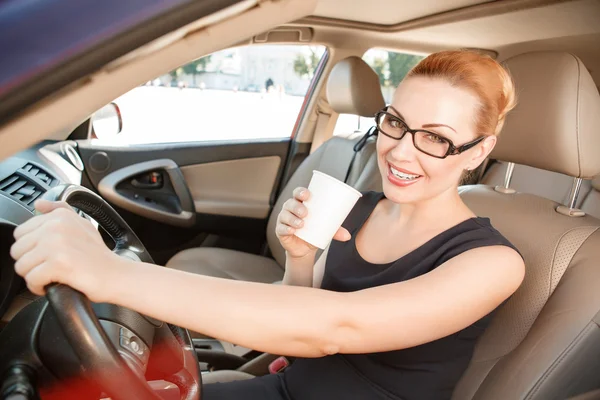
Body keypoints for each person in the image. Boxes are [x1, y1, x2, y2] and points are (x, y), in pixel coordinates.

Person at [10, 50, 525, 400]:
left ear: (478, 151)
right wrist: (300, 259)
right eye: (395, 122)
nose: (400, 150)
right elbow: (296, 326)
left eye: (435, 138)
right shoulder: (361, 206)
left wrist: (110, 275)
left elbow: (335, 328)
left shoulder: (492, 263)